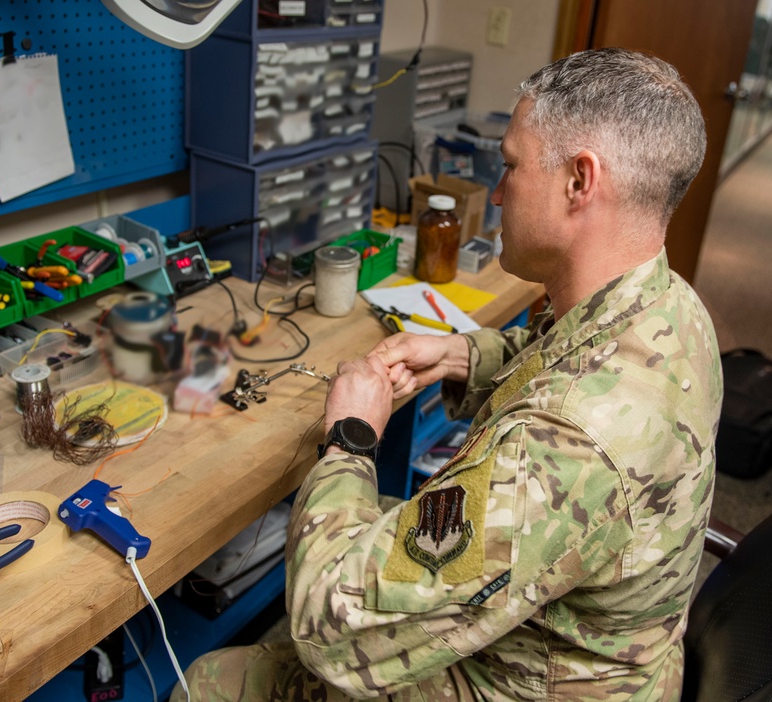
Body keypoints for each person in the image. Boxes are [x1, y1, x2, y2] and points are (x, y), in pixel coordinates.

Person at [173, 47, 723, 701]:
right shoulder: (672, 307)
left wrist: (351, 439)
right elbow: (571, 362)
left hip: (530, 682)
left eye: (512, 166)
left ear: (580, 181)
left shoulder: (566, 445)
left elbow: (329, 623)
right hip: (585, 636)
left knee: (210, 681)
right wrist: (467, 355)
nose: (495, 193)